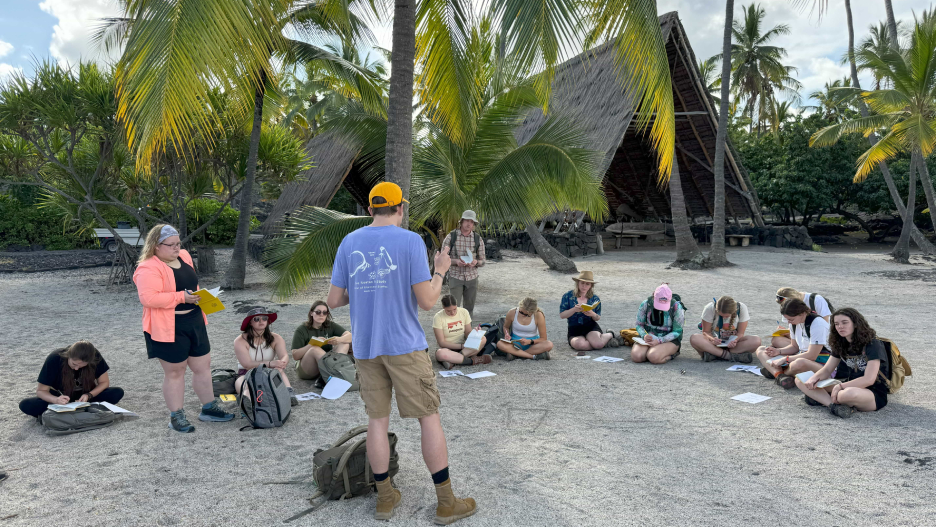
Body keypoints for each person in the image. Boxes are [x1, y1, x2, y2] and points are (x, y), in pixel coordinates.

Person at [327, 182, 476, 523]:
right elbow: (426, 301)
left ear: (369, 210)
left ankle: (385, 498)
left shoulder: (349, 242)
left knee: (377, 422)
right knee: (429, 417)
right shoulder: (410, 241)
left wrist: (369, 292)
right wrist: (440, 269)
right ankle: (446, 502)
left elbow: (334, 300)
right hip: (404, 346)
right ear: (400, 209)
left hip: (366, 348)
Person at [133, 224, 233, 433]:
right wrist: (182, 297)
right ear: (156, 246)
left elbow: (192, 285)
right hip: (169, 326)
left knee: (203, 366)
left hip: (195, 320)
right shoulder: (147, 267)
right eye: (171, 245)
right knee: (175, 372)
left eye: (178, 243)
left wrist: (202, 297)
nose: (177, 248)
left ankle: (209, 408)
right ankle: (176, 416)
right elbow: (148, 298)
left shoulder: (185, 256)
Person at [795, 308, 891, 418]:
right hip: (848, 385)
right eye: (836, 324)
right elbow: (827, 370)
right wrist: (814, 378)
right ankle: (833, 406)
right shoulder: (840, 343)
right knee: (800, 380)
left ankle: (821, 398)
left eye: (845, 322)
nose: (840, 326)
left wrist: (840, 386)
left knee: (846, 395)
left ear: (855, 323)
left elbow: (869, 379)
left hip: (872, 392)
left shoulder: (873, 344)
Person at [19, 341, 125, 418]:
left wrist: (89, 395)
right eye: (74, 364)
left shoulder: (94, 356)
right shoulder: (55, 358)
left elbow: (104, 382)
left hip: (85, 397)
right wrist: (56, 400)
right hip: (60, 398)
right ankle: (79, 411)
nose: (77, 368)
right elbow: (41, 391)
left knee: (116, 392)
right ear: (68, 356)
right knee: (26, 404)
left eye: (82, 365)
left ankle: (74, 410)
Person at [756, 298, 832, 389]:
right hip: (802, 356)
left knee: (799, 363)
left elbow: (812, 355)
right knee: (761, 350)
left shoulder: (817, 323)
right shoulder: (794, 323)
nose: (788, 322)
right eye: (787, 319)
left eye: (791, 319)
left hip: (823, 365)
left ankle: (776, 372)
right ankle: (780, 375)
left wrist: (786, 359)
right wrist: (778, 351)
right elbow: (794, 347)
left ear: (802, 313)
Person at [234, 308, 298, 406]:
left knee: (280, 371)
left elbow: (284, 355)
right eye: (256, 319)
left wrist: (282, 363)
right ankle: (246, 401)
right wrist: (270, 363)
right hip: (246, 373)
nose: (261, 321)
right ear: (250, 322)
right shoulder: (240, 340)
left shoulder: (276, 338)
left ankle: (289, 393)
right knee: (243, 383)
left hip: (268, 372)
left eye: (264, 318)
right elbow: (247, 364)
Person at [290, 300, 352, 386]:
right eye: (318, 312)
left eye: (325, 312)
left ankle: (331, 374)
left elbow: (350, 336)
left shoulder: (330, 325)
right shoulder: (302, 329)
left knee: (344, 343)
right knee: (314, 349)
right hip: (308, 369)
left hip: (326, 366)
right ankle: (334, 373)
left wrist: (339, 339)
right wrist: (311, 344)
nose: (321, 315)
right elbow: (295, 355)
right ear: (311, 313)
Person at [689, 296, 760, 363]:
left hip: (733, 346)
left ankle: (714, 355)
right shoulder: (710, 308)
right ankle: (730, 356)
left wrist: (734, 341)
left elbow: (740, 333)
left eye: (727, 316)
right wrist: (713, 339)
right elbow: (706, 332)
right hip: (713, 345)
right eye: (721, 315)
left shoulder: (741, 308)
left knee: (756, 341)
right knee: (694, 338)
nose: (724, 318)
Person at [443, 210, 485, 317]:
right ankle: (454, 332)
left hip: (472, 278)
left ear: (474, 224)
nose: (469, 224)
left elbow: (483, 261)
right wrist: (456, 262)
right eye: (467, 220)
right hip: (456, 277)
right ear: (461, 221)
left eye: (472, 222)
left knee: (469, 310)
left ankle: (468, 332)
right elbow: (443, 259)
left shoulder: (477, 239)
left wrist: (476, 262)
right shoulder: (451, 237)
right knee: (452, 308)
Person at [433, 294, 492, 369]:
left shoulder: (464, 312)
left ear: (457, 305)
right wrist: (461, 346)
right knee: (440, 353)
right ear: (443, 307)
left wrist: (474, 332)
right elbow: (441, 343)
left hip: (465, 348)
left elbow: (467, 333)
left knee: (483, 339)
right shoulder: (438, 317)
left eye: (454, 309)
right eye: (448, 311)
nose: (452, 313)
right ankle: (473, 360)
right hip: (449, 348)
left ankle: (454, 360)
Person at [631, 283, 684, 364]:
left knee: (653, 357)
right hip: (649, 337)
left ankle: (670, 355)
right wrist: (644, 335)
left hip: (669, 339)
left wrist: (660, 340)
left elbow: (677, 331)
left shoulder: (676, 307)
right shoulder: (646, 304)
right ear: (653, 297)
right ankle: (651, 352)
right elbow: (639, 324)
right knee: (637, 357)